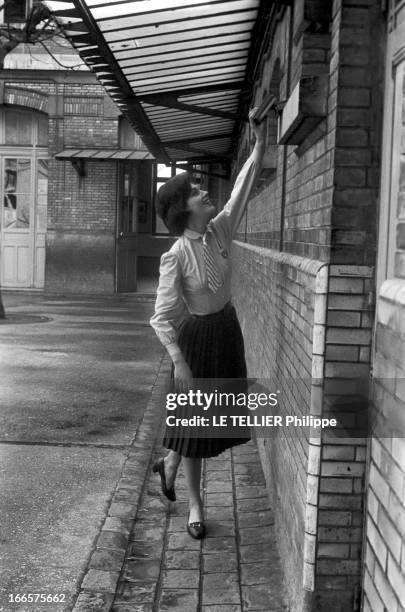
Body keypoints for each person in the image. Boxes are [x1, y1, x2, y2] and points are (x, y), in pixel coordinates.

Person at [150, 109, 265, 539]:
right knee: (197, 428)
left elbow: (241, 191)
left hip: (227, 332)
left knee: (210, 421)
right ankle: (195, 506)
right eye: (195, 191)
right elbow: (161, 316)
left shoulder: (219, 230)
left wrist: (258, 144)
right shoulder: (175, 255)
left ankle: (171, 460)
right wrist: (178, 361)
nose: (203, 191)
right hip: (197, 340)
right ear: (183, 209)